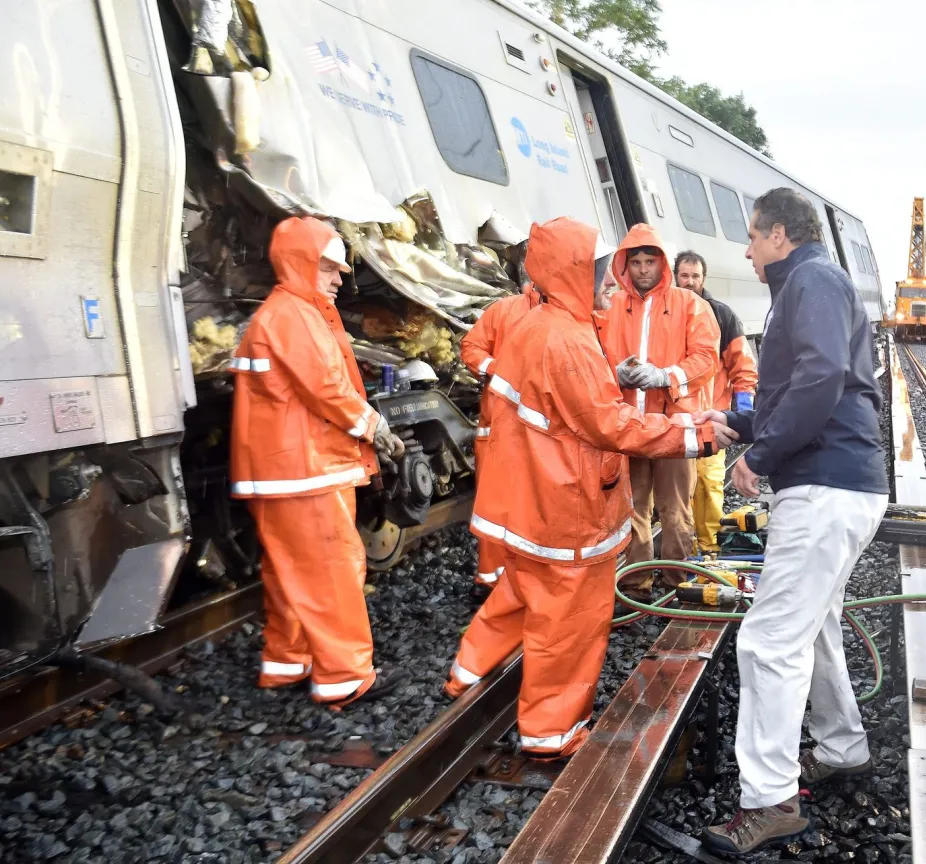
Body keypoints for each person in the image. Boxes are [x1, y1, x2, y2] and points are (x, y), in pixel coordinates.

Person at [443, 217, 734, 759]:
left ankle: (468, 673)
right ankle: (550, 731)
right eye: (603, 270)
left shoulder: (539, 324)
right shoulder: (568, 340)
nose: (612, 281)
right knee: (568, 623)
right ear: (576, 271)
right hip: (565, 505)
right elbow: (609, 424)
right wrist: (694, 436)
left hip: (533, 497)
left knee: (517, 593)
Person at [699, 188, 888, 856]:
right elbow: (804, 392)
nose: (746, 250)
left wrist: (763, 453)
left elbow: (823, 377)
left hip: (824, 488)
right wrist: (742, 424)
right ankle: (842, 749)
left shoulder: (811, 279)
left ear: (780, 234)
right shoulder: (810, 284)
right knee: (814, 630)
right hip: (837, 481)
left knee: (767, 642)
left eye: (752, 237)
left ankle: (769, 801)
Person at [230, 216, 405, 706]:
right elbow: (325, 387)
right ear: (302, 263)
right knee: (331, 570)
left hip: (281, 472)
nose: (338, 278)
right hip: (305, 470)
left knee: (291, 572)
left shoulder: (283, 313)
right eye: (329, 267)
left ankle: (289, 662)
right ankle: (345, 676)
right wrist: (374, 426)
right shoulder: (295, 316)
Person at [599, 226, 721, 599]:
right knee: (631, 509)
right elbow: (592, 355)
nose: (641, 269)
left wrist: (664, 376)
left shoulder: (690, 304)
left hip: (672, 428)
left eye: (649, 261)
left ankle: (678, 582)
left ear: (661, 263)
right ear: (624, 264)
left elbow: (706, 358)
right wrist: (613, 374)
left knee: (675, 509)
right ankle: (636, 586)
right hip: (628, 427)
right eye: (634, 262)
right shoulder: (611, 306)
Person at [459, 275, 542, 589]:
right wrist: (498, 370)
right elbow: (472, 348)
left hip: (544, 433)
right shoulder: (505, 310)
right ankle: (494, 580)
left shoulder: (576, 314)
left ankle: (528, 579)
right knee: (495, 507)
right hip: (499, 427)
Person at [674, 250, 758, 554]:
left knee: (709, 485)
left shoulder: (722, 316)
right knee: (676, 492)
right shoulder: (664, 314)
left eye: (695, 276)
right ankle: (683, 550)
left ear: (703, 279)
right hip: (675, 422)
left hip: (710, 421)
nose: (689, 282)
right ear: (675, 276)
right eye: (684, 275)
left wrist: (744, 416)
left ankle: (709, 550)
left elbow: (743, 369)